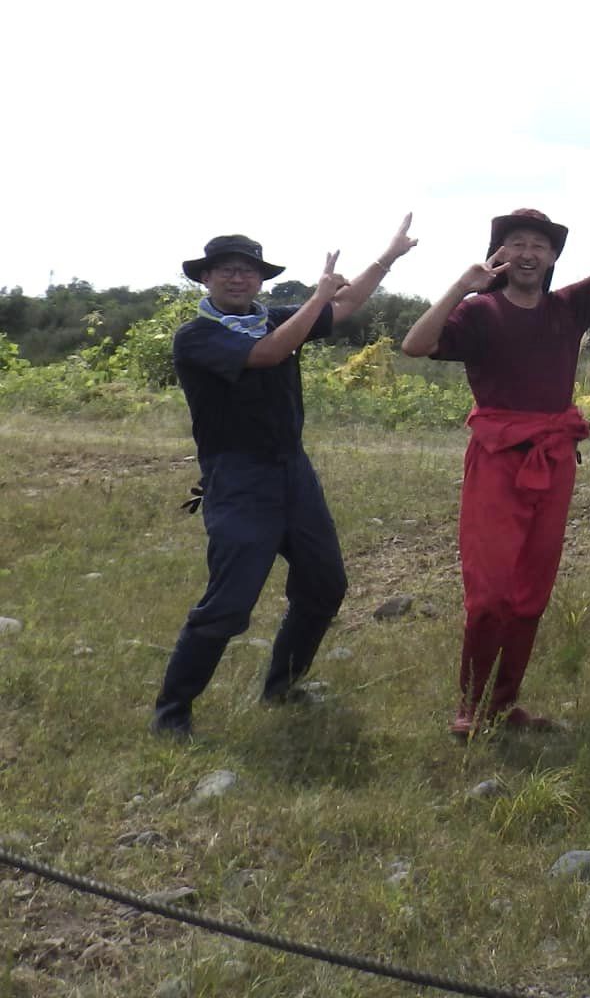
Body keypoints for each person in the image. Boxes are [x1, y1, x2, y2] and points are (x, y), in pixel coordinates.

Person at [401, 189, 590, 738]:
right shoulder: (478, 312)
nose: (528, 253)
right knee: (489, 595)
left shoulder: (568, 307)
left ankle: (503, 705)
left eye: (539, 245)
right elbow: (415, 345)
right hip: (496, 461)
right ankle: (470, 704)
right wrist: (461, 286)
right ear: (499, 254)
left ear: (553, 256)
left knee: (529, 594)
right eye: (517, 243)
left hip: (554, 460)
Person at [154, 221, 417, 738]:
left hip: (293, 471)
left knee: (324, 585)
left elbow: (344, 306)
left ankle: (282, 687)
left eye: (248, 271)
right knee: (229, 603)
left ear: (260, 280)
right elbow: (269, 353)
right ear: (206, 278)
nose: (238, 278)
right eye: (227, 270)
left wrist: (388, 257)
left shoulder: (273, 318)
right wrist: (317, 296)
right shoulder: (197, 336)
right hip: (238, 479)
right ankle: (172, 711)